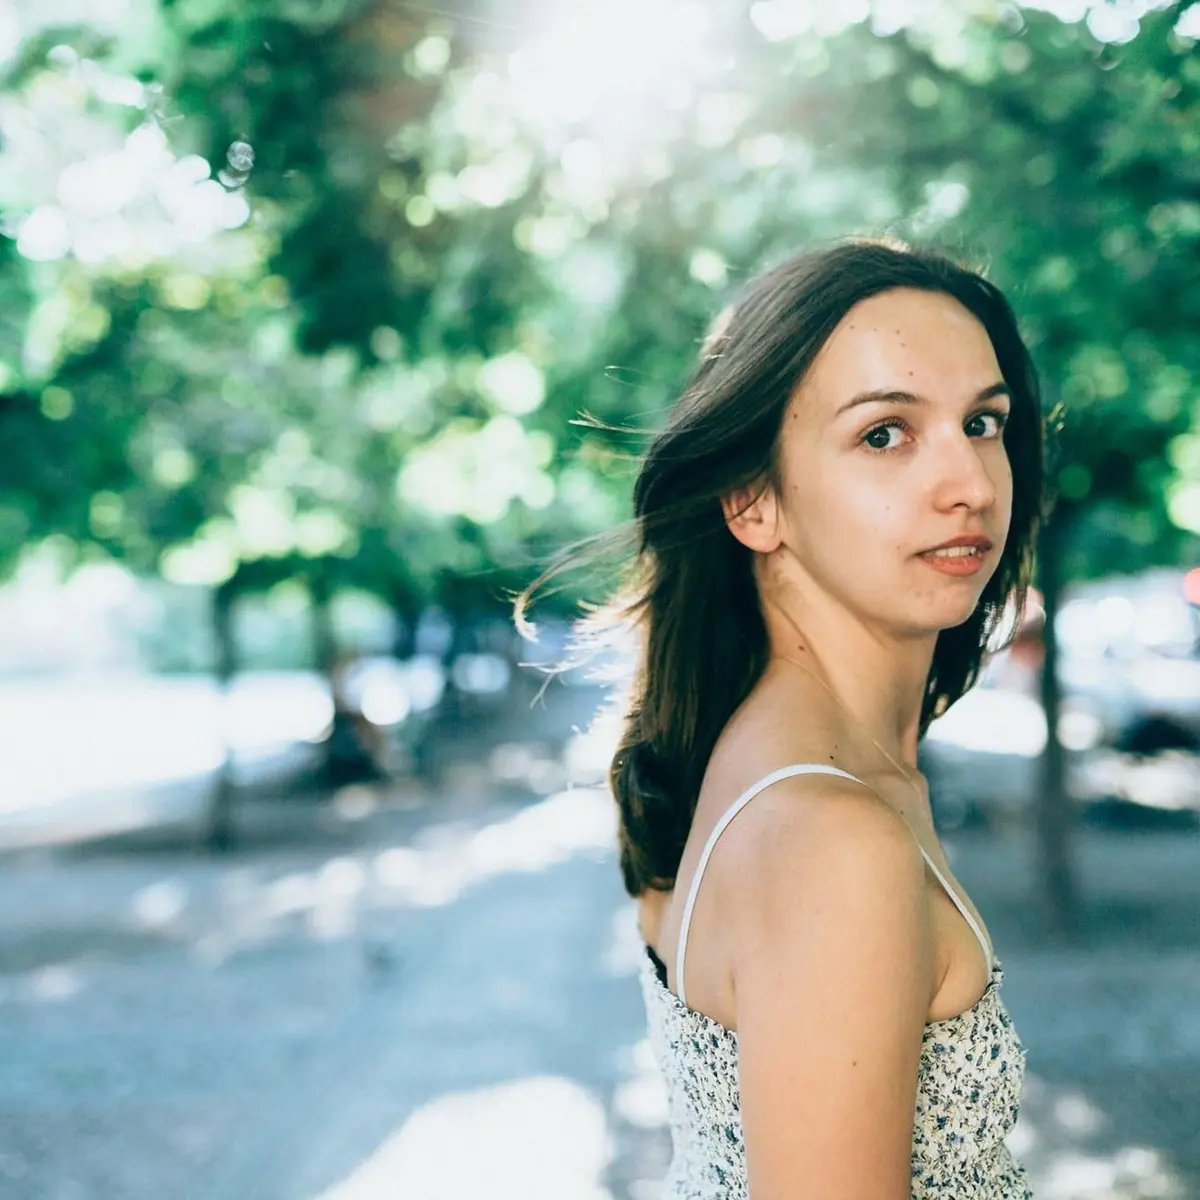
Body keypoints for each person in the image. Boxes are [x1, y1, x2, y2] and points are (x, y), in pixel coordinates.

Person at [519, 238, 1043, 1197]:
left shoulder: (778, 765)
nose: (969, 481)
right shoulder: (827, 839)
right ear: (752, 500)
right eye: (885, 433)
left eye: (983, 421)